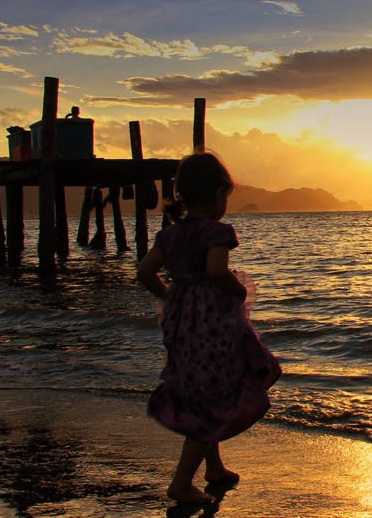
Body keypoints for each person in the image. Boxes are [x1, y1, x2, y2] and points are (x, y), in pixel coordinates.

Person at [137, 151, 281, 505]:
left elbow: (145, 272)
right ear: (218, 193)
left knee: (201, 390)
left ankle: (213, 467)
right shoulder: (217, 232)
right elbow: (217, 272)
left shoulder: (170, 235)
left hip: (181, 326)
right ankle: (181, 484)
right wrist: (238, 290)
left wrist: (171, 297)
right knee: (233, 385)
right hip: (214, 328)